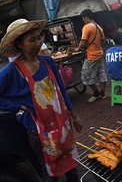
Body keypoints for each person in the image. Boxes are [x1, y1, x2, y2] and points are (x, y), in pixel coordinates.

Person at [0, 18, 83, 182]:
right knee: (51, 173)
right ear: (19, 44)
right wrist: (19, 106)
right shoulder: (12, 71)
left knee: (71, 164)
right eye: (32, 40)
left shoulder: (48, 61)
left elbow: (61, 90)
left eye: (39, 37)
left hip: (62, 122)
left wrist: (74, 116)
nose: (38, 42)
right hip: (38, 130)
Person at [72, 9, 108, 103]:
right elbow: (103, 41)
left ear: (86, 17)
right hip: (100, 54)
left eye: (83, 18)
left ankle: (96, 93)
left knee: (85, 76)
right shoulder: (99, 27)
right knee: (101, 73)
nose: (83, 20)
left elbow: (83, 42)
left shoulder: (87, 27)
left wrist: (77, 49)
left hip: (91, 56)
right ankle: (103, 93)